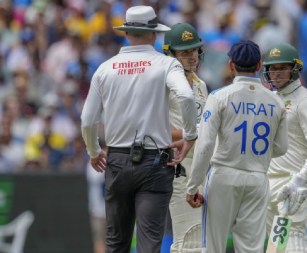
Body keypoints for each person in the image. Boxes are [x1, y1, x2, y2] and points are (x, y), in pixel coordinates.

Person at [80, 5, 198, 253]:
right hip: (155, 161)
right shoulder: (166, 65)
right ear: (154, 34)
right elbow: (187, 97)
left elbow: (88, 120)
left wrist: (93, 151)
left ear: (126, 33)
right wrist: (189, 135)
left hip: (118, 160)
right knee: (149, 243)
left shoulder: (105, 68)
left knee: (116, 242)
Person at [186, 40, 289, 253]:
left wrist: (193, 185)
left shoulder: (219, 97)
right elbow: (281, 148)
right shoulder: (276, 102)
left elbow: (205, 145)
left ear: (231, 65)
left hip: (223, 175)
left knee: (213, 247)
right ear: (260, 66)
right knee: (251, 249)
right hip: (257, 178)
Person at [262, 43, 307, 252]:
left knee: (293, 238)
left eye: (282, 67)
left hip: (294, 183)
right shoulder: (271, 99)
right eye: (273, 68)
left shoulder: (306, 101)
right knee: (275, 247)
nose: (276, 73)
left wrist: (300, 179)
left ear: (294, 69)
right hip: (269, 182)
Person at [163, 22, 208, 253]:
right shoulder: (164, 84)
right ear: (170, 54)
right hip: (177, 165)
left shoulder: (200, 85)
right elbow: (155, 129)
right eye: (185, 52)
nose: (192, 56)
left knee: (197, 238)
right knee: (186, 239)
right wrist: (193, 133)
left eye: (194, 50)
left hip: (199, 166)